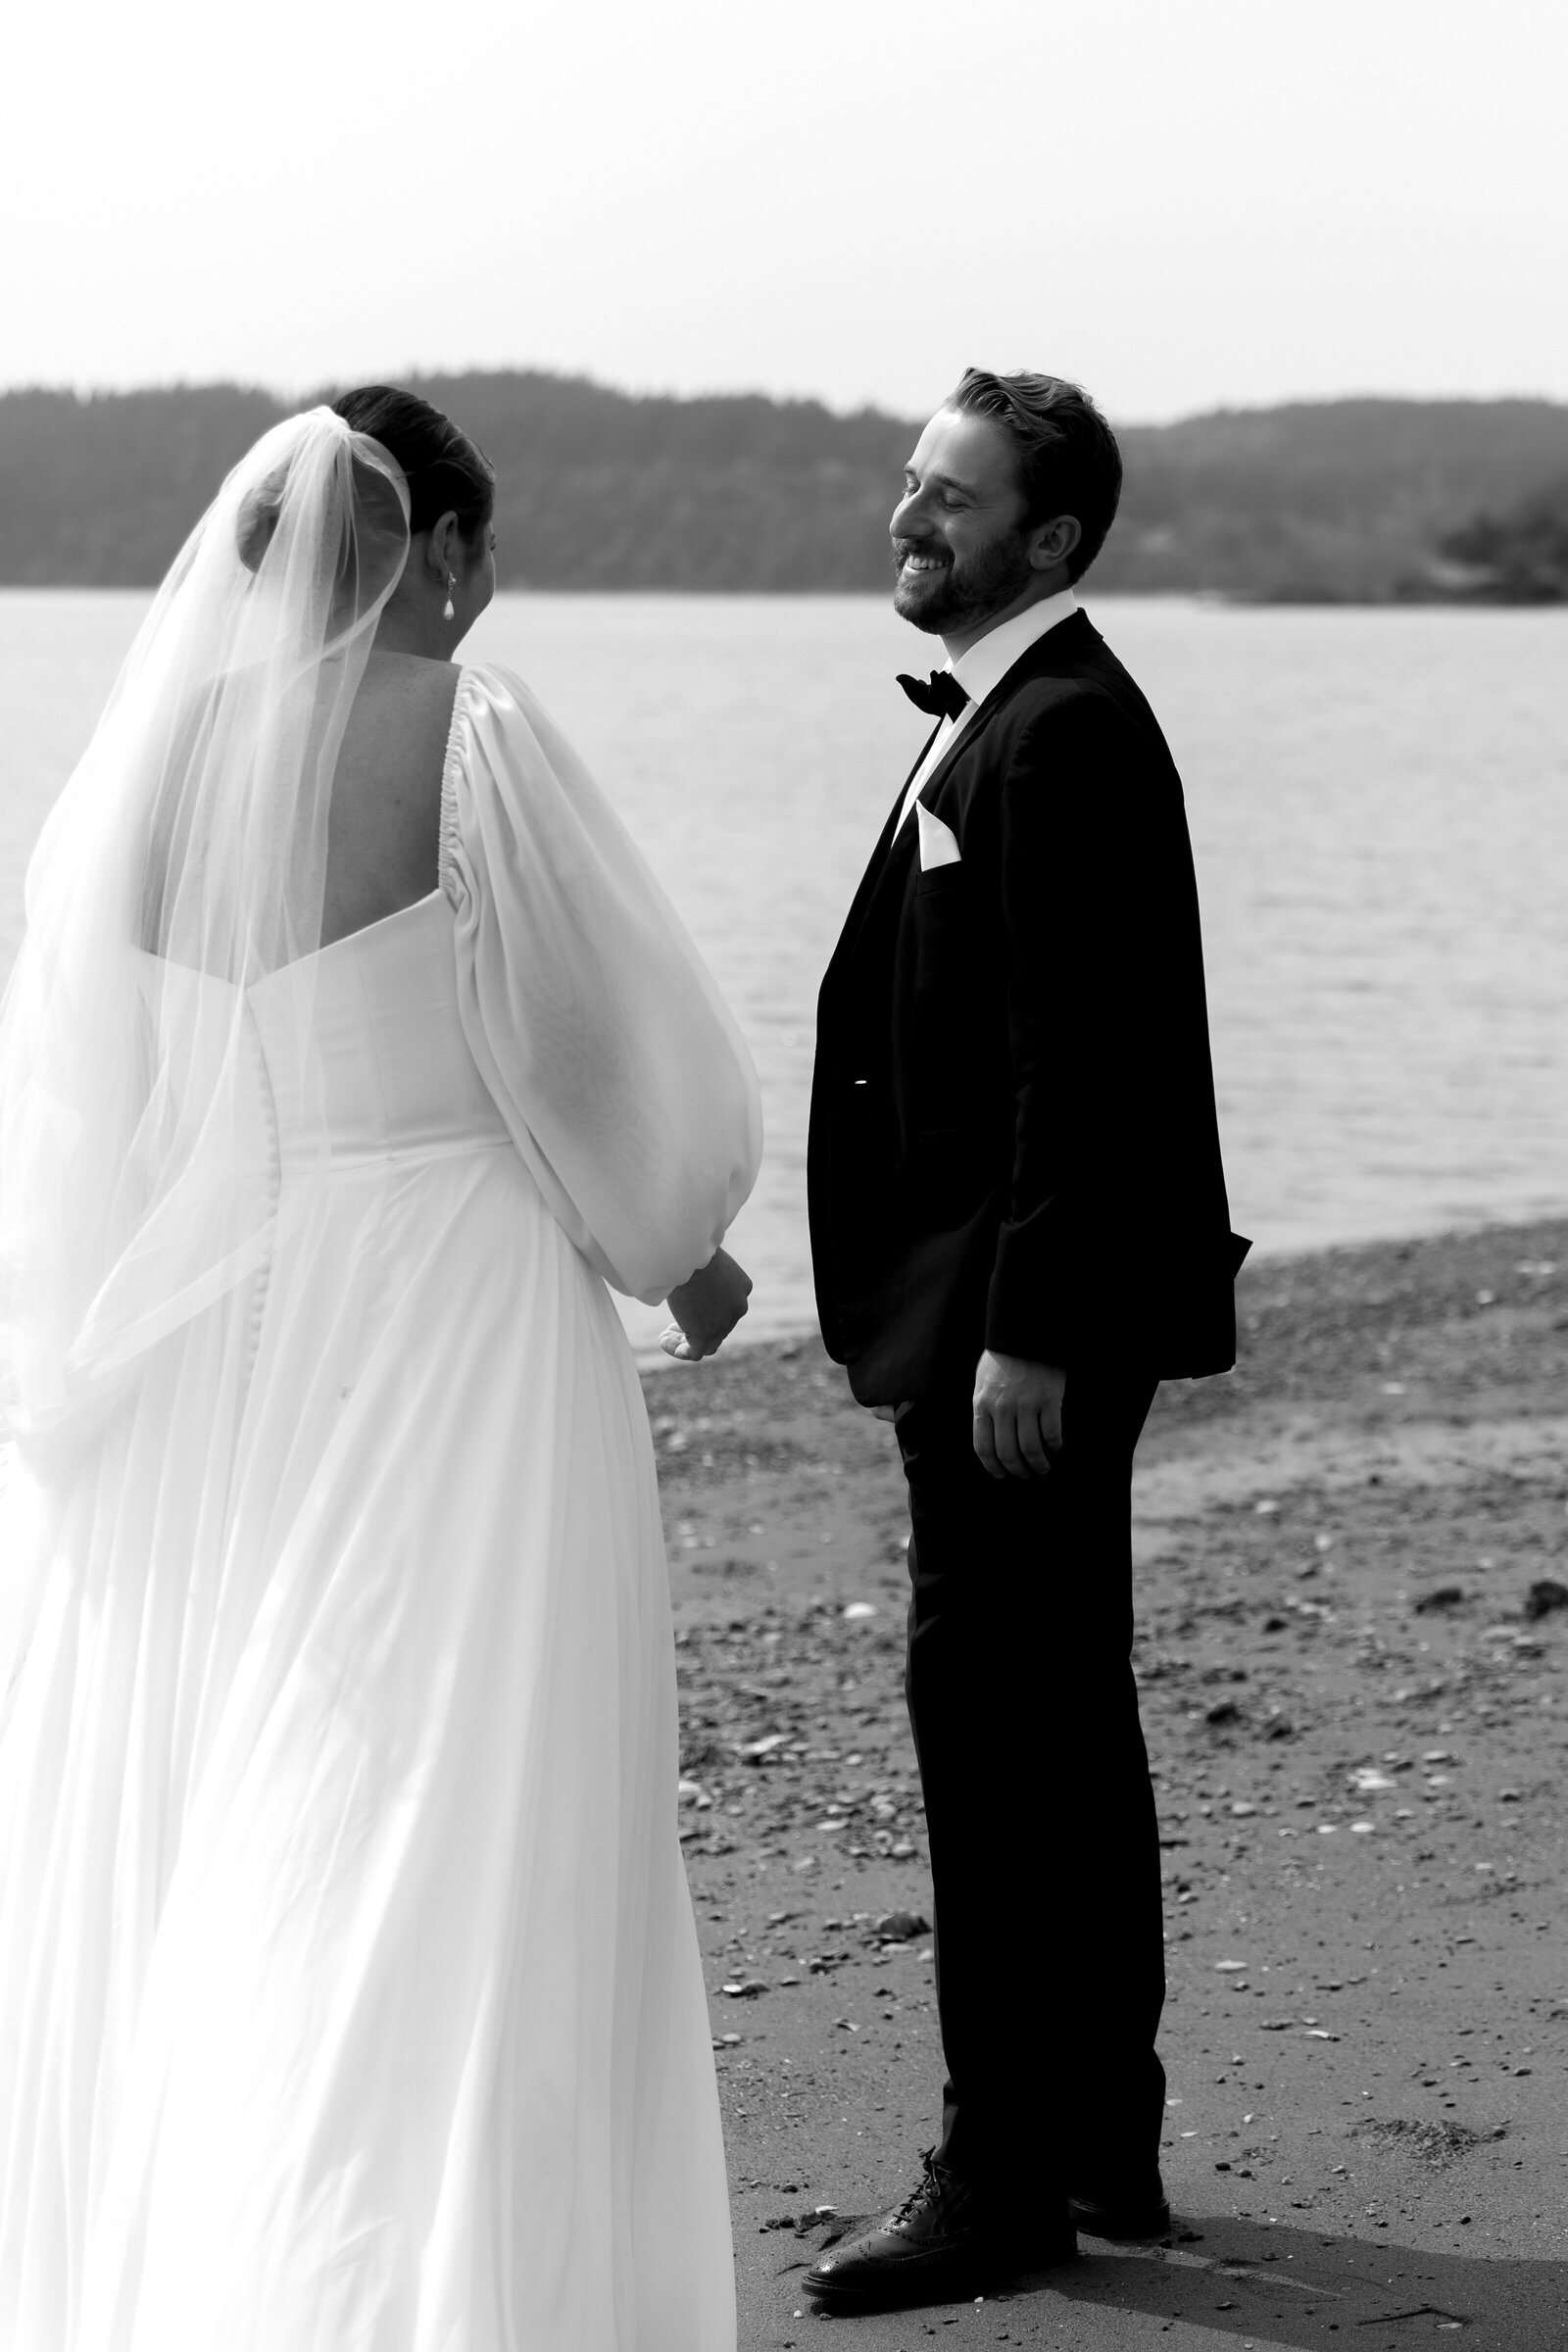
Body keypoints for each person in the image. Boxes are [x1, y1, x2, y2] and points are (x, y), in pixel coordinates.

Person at [0, 388, 759, 2350]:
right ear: (436, 547)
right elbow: (586, 1050)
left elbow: (96, 1117)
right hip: (447, 1316)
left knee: (226, 1812)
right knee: (445, 1826)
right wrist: (679, 1253)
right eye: (473, 562)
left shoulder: (144, 767)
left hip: (215, 1324)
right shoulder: (469, 734)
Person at [804, 368, 1249, 2311]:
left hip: (1016, 1335)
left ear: (1048, 540)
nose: (909, 519)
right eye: (909, 483)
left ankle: (1000, 2175)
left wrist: (1030, 1334)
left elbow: (1090, 1060)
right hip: (1004, 1321)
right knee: (1055, 1724)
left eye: (950, 499)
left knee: (997, 1735)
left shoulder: (1054, 734)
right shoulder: (1014, 715)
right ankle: (1099, 2154)